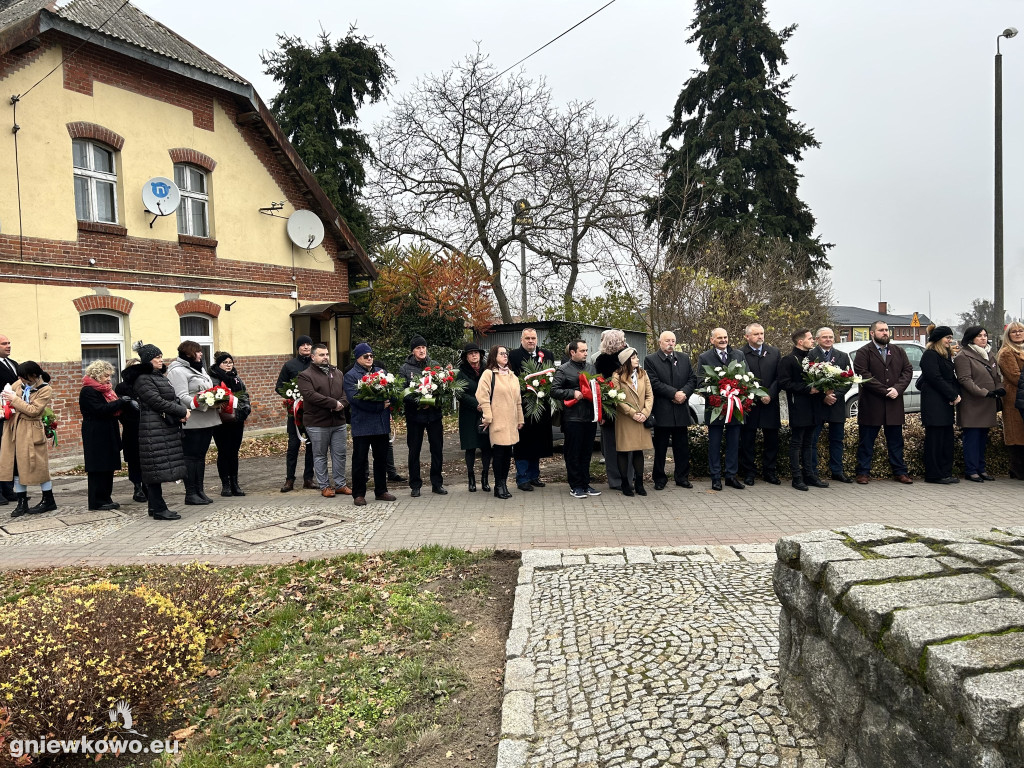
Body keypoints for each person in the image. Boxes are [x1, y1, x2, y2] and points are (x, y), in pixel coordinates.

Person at [131, 342, 188, 520]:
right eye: (157, 357)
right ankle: (159, 508)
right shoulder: (143, 379)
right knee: (155, 469)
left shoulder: (158, 376)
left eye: (161, 356)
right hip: (152, 429)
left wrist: (180, 412)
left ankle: (154, 507)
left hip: (163, 426)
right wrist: (181, 411)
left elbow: (171, 396)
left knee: (158, 468)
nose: (160, 359)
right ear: (148, 360)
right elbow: (156, 401)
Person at [852, 321, 914, 484]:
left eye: (886, 330)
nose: (885, 333)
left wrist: (897, 389)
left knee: (896, 441)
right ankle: (863, 472)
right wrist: (884, 390)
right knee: (866, 441)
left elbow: (907, 371)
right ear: (872, 333)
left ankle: (900, 472)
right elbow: (863, 375)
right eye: (881, 330)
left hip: (894, 403)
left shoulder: (898, 351)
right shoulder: (863, 352)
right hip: (872, 404)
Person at [343, 343, 397, 506]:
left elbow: (392, 392)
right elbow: (355, 400)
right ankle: (359, 494)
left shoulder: (381, 373)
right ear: (358, 358)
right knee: (360, 460)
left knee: (381, 458)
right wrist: (380, 405)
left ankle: (381, 490)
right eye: (366, 356)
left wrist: (391, 400)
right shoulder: (351, 376)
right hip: (362, 424)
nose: (369, 359)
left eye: (371, 356)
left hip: (380, 423)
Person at [0, 361, 57, 516]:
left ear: (34, 375)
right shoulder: (18, 384)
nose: (22, 380)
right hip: (14, 429)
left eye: (25, 378)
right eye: (20, 377)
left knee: (38, 466)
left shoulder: (45, 389)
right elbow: (7, 401)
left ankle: (48, 500)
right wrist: (4, 407)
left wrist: (14, 400)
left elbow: (33, 411)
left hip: (32, 431)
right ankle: (21, 502)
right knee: (17, 467)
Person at [167, 341, 218, 505]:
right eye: (197, 351)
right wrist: (201, 402)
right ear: (188, 353)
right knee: (190, 457)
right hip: (192, 419)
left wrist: (215, 398)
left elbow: (207, 388)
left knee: (200, 457)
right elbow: (181, 396)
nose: (201, 354)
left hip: (207, 418)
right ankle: (190, 493)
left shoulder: (199, 368)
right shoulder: (177, 371)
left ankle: (200, 490)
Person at [644, 331, 696, 490]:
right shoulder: (651, 360)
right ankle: (659, 478)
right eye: (667, 341)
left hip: (681, 409)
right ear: (660, 342)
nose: (671, 343)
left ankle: (682, 477)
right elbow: (653, 382)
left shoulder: (684, 358)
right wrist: (673, 393)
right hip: (663, 410)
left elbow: (692, 379)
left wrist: (684, 393)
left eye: (673, 341)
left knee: (682, 447)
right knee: (660, 447)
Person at [297, 343, 351, 497]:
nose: (325, 357)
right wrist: (333, 404)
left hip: (338, 421)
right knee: (320, 455)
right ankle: (325, 486)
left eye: (327, 354)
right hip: (317, 422)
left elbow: (346, 392)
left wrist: (342, 403)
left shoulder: (338, 372)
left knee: (340, 454)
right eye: (321, 355)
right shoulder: (305, 375)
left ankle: (340, 484)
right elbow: (310, 396)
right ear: (313, 357)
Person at [697, 328, 747, 491]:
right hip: (715, 408)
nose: (723, 340)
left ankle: (731, 476)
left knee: (733, 443)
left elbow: (746, 378)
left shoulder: (738, 355)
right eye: (719, 338)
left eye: (725, 337)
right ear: (712, 340)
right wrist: (717, 397)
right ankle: (715, 477)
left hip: (735, 408)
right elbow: (700, 383)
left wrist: (738, 395)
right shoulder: (704, 357)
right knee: (714, 444)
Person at [778, 329, 828, 491]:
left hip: (815, 406)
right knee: (797, 442)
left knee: (809, 442)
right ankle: (796, 477)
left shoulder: (814, 358)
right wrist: (808, 389)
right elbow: (785, 383)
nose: (813, 341)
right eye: (810, 338)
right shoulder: (789, 360)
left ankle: (810, 475)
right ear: (800, 341)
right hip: (799, 406)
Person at [552, 340, 601, 498]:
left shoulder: (591, 368)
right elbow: (554, 390)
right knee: (573, 453)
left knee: (587, 452)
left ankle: (585, 484)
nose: (586, 353)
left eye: (586, 350)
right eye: (582, 351)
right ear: (572, 352)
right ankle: (575, 485)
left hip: (589, 417)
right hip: (572, 418)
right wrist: (572, 393)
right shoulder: (563, 370)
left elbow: (599, 388)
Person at [954, 326, 1003, 482]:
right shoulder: (963, 355)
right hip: (973, 403)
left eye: (985, 335)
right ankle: (971, 470)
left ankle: (981, 468)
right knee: (972, 438)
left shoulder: (990, 354)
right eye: (979, 336)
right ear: (971, 338)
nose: (983, 338)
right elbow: (965, 380)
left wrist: (999, 389)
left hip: (988, 403)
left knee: (983, 439)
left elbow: (997, 377)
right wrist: (984, 392)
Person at [507, 328, 554, 491]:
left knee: (538, 442)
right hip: (523, 406)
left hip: (542, 407)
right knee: (523, 443)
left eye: (533, 338)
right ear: (521, 339)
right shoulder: (513, 356)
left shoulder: (546, 354)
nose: (531, 341)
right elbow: (510, 380)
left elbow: (552, 377)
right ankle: (522, 478)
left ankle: (534, 475)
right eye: (527, 338)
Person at [399, 335, 446, 496]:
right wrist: (420, 401)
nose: (421, 350)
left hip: (434, 416)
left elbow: (443, 388)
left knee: (437, 449)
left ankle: (437, 483)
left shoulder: (434, 366)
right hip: (414, 417)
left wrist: (433, 400)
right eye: (418, 348)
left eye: (423, 347)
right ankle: (415, 485)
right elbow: (402, 392)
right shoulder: (405, 368)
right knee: (414, 451)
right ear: (413, 351)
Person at [79, 360, 129, 511]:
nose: (109, 379)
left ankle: (106, 498)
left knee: (107, 467)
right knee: (98, 467)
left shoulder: (105, 390)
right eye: (105, 375)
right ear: (96, 375)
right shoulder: (88, 391)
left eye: (110, 376)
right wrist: (121, 402)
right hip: (96, 434)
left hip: (107, 431)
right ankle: (97, 501)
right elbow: (100, 409)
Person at [476, 345, 525, 499]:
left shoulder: (513, 376)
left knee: (507, 455)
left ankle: (503, 483)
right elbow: (482, 395)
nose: (505, 356)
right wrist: (488, 416)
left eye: (506, 354)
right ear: (494, 356)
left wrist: (520, 418)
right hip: (497, 421)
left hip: (511, 422)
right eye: (501, 353)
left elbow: (518, 401)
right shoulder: (489, 374)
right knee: (498, 454)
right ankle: (498, 486)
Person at [808, 327, 853, 483]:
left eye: (831, 337)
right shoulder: (811, 355)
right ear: (817, 339)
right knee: (812, 440)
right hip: (818, 405)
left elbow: (849, 379)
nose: (828, 339)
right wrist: (824, 395)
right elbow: (808, 379)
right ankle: (813, 471)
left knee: (837, 440)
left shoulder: (842, 356)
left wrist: (835, 395)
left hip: (836, 404)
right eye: (824, 337)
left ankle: (837, 471)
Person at [738, 323, 782, 486]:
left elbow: (780, 377)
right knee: (748, 439)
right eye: (756, 334)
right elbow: (740, 378)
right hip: (751, 403)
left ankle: (769, 471)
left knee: (771, 439)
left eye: (762, 333)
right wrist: (758, 394)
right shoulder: (740, 354)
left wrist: (769, 394)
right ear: (747, 337)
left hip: (770, 403)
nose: (760, 337)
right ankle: (749, 472)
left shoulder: (774, 352)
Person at [917, 325, 961, 484]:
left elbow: (950, 378)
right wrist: (952, 394)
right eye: (947, 337)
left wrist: (956, 393)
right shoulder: (930, 355)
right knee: (935, 440)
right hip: (934, 403)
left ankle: (945, 472)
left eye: (950, 337)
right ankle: (934, 474)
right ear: (938, 339)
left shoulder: (945, 355)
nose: (950, 340)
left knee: (946, 439)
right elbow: (935, 378)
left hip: (945, 403)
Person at [208, 351, 251, 497]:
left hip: (236, 420)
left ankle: (235, 484)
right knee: (224, 452)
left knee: (234, 452)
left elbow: (244, 395)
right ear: (218, 364)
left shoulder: (236, 378)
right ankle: (225, 485)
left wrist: (244, 410)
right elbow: (210, 397)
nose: (228, 365)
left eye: (230, 362)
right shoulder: (213, 379)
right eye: (225, 363)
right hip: (220, 421)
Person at [594, 329, 632, 490]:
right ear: (617, 342)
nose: (624, 342)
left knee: (616, 446)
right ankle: (624, 479)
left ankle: (619, 479)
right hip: (615, 406)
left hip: (616, 406)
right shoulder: (612, 360)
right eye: (622, 339)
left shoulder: (602, 359)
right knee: (618, 445)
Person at [612, 347, 653, 497]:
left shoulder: (643, 374)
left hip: (641, 418)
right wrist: (631, 413)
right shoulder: (617, 376)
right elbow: (616, 398)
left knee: (638, 450)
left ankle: (640, 483)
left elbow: (649, 396)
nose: (637, 359)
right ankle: (625, 483)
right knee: (624, 450)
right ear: (626, 360)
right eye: (634, 357)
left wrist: (645, 413)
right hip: (625, 418)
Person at [277, 335, 315, 492]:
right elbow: (279, 386)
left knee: (312, 446)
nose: (306, 347)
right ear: (298, 348)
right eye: (303, 345)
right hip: (296, 413)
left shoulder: (316, 364)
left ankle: (308, 478)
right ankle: (289, 480)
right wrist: (291, 397)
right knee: (293, 446)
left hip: (313, 412)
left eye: (309, 344)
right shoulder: (290, 365)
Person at [456, 342, 492, 492]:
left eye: (476, 352)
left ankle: (485, 478)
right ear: (466, 357)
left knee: (486, 446)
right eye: (470, 353)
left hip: (486, 413)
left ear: (481, 355)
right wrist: (476, 404)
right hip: (469, 414)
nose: (474, 355)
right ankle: (471, 478)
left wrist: (485, 405)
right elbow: (459, 393)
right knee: (470, 447)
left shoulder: (488, 370)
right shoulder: (461, 372)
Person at [115, 359, 147, 503]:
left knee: (147, 458)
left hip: (147, 425)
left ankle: (147, 485)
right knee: (134, 459)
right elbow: (119, 408)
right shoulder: (122, 386)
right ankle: (137, 487)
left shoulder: (146, 383)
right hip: (131, 427)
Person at [997, 322, 1024, 479]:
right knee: (1016, 434)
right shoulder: (1007, 352)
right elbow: (1015, 376)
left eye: (1021, 330)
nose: (1018, 333)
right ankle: (1017, 469)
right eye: (1014, 332)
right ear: (1009, 335)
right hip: (1014, 398)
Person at [0, 333, 19, 506]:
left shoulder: (13, 364)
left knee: (10, 454)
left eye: (9, 342)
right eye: (4, 343)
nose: (8, 346)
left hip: (13, 415)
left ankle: (9, 490)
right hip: (0, 415)